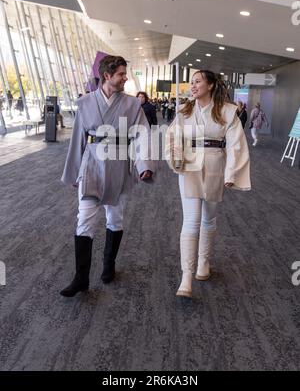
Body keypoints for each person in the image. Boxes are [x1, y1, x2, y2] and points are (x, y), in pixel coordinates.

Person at [60, 55, 154, 297]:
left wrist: (145, 164)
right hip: (91, 164)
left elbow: (142, 135)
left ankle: (109, 263)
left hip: (118, 165)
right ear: (107, 76)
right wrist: (73, 172)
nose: (125, 78)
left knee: (115, 217)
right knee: (84, 219)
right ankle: (81, 278)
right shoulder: (85, 103)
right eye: (122, 74)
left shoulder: (133, 105)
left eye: (125, 74)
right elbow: (78, 139)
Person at [165, 70, 251, 299]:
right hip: (190, 165)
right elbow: (172, 135)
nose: (193, 86)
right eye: (191, 82)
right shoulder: (184, 110)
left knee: (208, 218)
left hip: (215, 165)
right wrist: (175, 157)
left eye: (198, 82)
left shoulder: (227, 111)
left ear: (211, 85)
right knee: (190, 220)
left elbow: (236, 144)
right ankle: (186, 276)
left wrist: (231, 173)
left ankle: (204, 261)